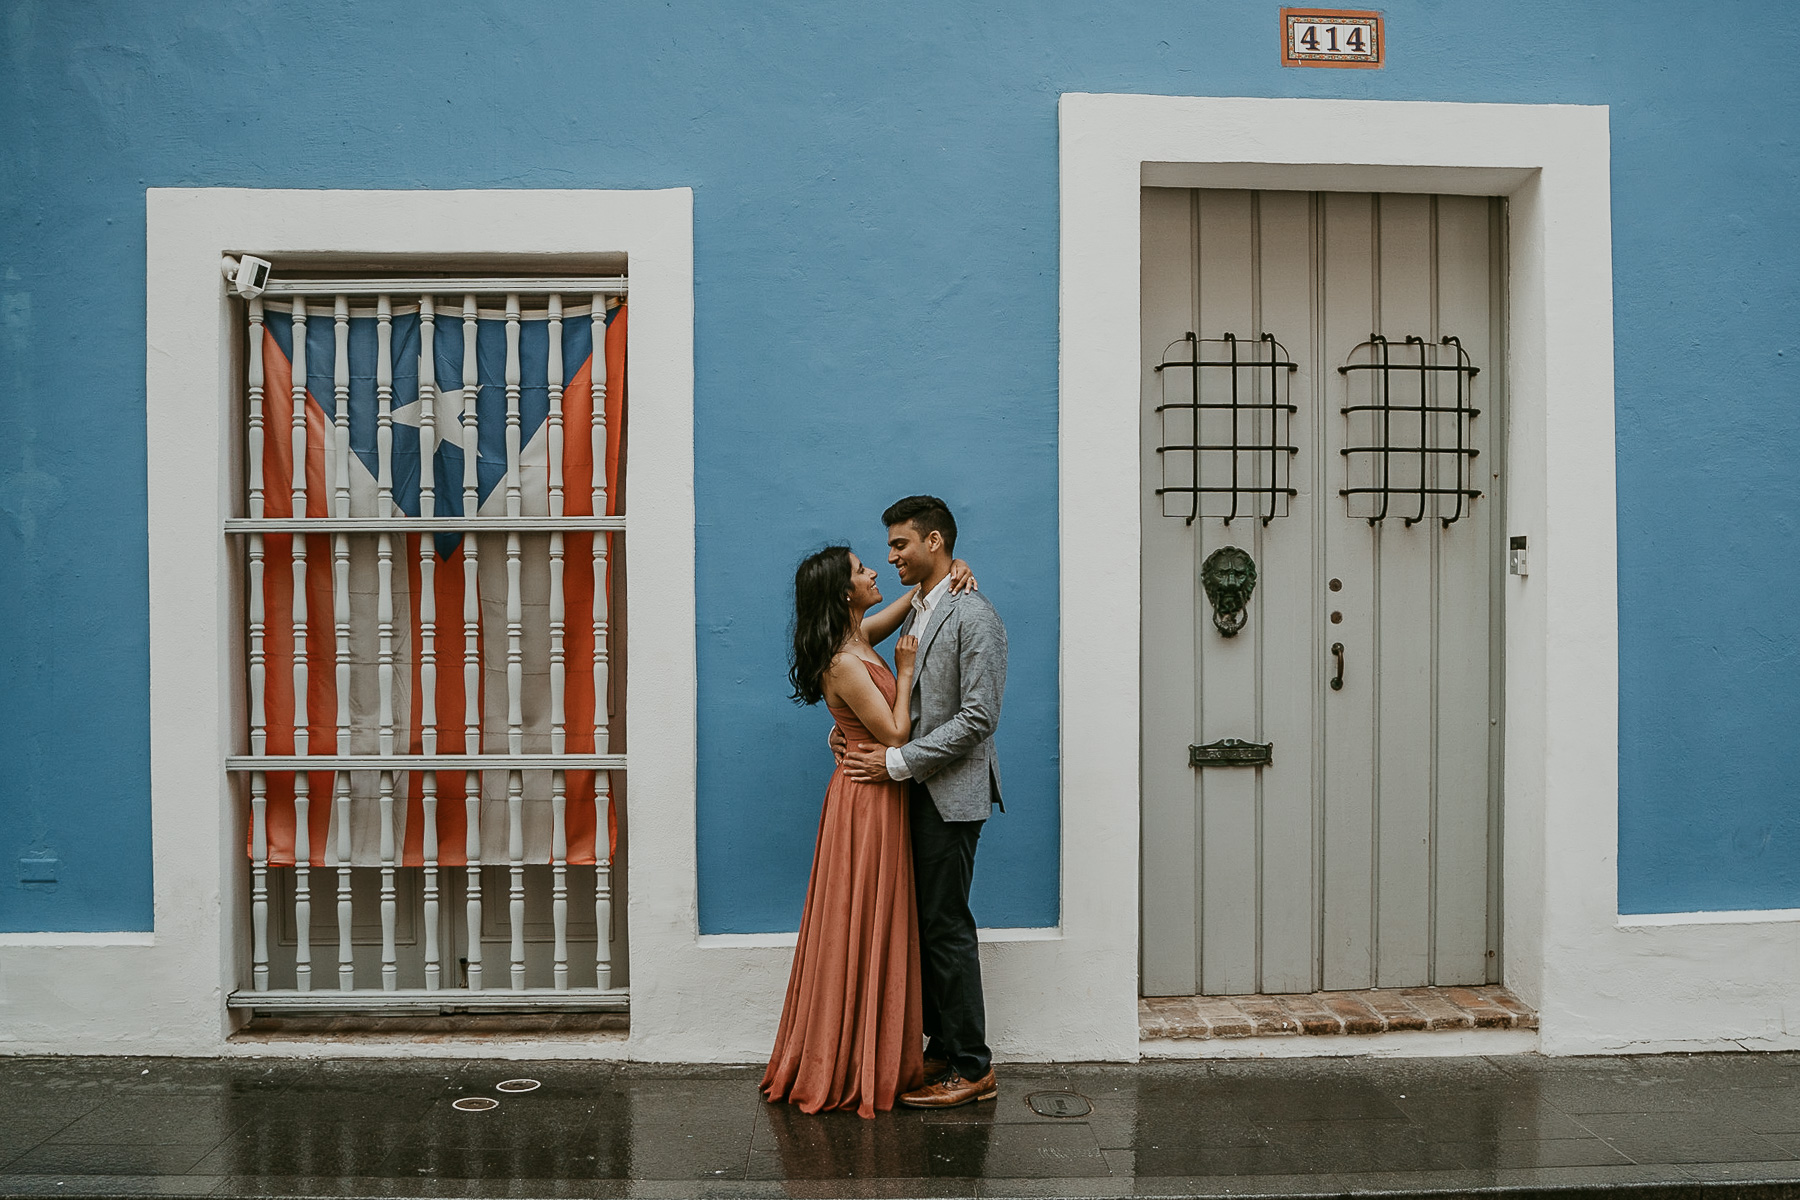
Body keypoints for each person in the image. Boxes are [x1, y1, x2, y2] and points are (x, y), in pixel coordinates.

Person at [761, 544, 977, 1118]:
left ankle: (882, 1045)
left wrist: (951, 569)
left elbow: (912, 602)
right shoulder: (845, 660)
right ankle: (859, 1054)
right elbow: (897, 736)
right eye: (861, 570)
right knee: (864, 914)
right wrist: (904, 674)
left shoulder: (861, 636)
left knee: (876, 914)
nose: (874, 571)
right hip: (868, 798)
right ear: (843, 592)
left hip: (875, 793)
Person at [842, 495, 1007, 1109]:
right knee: (927, 927)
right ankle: (941, 1048)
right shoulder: (922, 609)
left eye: (900, 545)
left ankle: (972, 1066)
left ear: (934, 542)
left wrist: (895, 761)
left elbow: (978, 717)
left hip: (950, 797)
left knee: (946, 928)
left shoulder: (975, 615)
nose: (892, 557)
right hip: (916, 793)